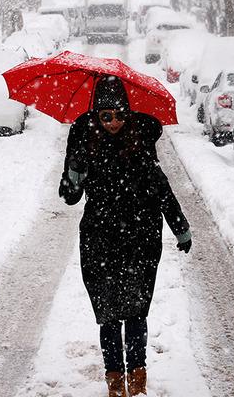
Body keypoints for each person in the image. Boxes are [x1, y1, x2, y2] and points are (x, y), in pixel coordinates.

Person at [59, 75, 192, 397]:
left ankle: (137, 381)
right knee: (107, 315)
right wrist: (75, 173)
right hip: (99, 238)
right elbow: (70, 197)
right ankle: (115, 384)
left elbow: (161, 190)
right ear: (96, 115)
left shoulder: (141, 143)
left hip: (140, 238)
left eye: (120, 114)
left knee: (134, 312)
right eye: (106, 116)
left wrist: (181, 228)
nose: (114, 122)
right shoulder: (82, 141)